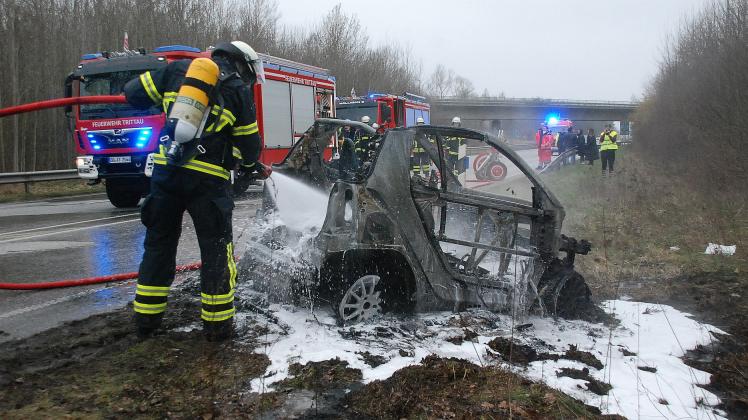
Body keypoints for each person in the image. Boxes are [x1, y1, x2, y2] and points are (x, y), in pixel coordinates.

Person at [123, 40, 269, 341]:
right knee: (216, 253)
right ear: (240, 64)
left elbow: (132, 93)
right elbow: (251, 147)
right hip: (208, 184)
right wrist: (244, 161)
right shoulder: (237, 89)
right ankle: (218, 329)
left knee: (158, 247)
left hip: (166, 175)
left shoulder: (177, 71)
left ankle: (146, 323)